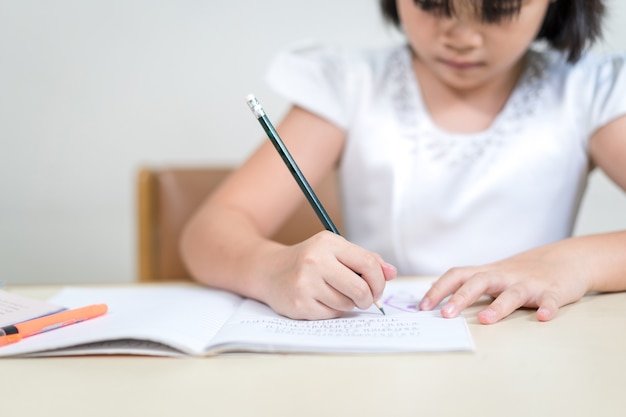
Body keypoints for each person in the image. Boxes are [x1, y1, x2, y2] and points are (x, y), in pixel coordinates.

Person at [180, 0, 626, 324]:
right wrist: (271, 269)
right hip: (384, 355)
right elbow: (208, 232)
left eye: (498, 9)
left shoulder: (585, 92)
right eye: (433, 4)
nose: (462, 36)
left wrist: (579, 263)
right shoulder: (350, 85)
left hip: (532, 348)